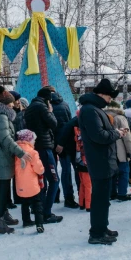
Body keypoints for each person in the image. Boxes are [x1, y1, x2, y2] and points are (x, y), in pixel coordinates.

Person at [78, 78, 126, 245]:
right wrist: (117, 134)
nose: (109, 101)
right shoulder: (90, 111)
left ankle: (101, 228)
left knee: (103, 199)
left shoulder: (94, 109)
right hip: (100, 161)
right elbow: (99, 136)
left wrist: (114, 132)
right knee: (99, 200)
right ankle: (97, 233)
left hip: (103, 160)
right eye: (109, 97)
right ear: (102, 95)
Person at [0, 86, 31, 234]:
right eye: (11, 103)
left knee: (4, 189)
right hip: (1, 158)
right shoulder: (1, 117)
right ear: (6, 104)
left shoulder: (1, 116)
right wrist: (21, 152)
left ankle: (3, 214)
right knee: (2, 190)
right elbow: (5, 139)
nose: (14, 104)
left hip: (2, 157)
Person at [25, 87, 63, 223]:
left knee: (41, 180)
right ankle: (46, 213)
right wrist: (51, 112)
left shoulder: (30, 107)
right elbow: (53, 124)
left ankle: (38, 208)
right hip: (44, 147)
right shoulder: (42, 107)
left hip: (35, 146)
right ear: (48, 99)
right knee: (54, 180)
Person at [49, 87, 79, 209]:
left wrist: (58, 143)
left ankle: (61, 196)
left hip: (58, 144)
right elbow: (68, 124)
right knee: (75, 170)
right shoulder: (65, 104)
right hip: (70, 142)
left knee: (62, 171)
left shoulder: (49, 108)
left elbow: (53, 129)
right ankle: (80, 196)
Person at [14, 129, 46, 234]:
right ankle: (39, 224)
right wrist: (42, 170)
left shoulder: (16, 151)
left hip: (20, 185)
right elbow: (38, 168)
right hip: (32, 185)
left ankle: (26, 221)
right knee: (37, 204)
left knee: (24, 204)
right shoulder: (32, 152)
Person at [106, 101, 131, 201]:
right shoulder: (120, 118)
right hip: (120, 150)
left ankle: (112, 193)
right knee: (124, 172)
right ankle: (122, 193)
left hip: (108, 150)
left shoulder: (103, 116)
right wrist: (130, 151)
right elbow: (127, 137)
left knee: (112, 172)